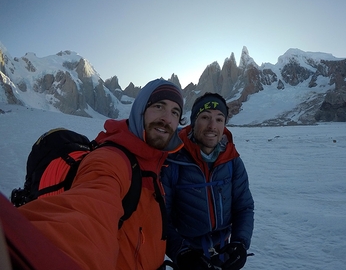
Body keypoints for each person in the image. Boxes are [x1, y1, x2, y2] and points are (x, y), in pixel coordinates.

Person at [18, 79, 185, 270]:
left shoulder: (154, 161)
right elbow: (85, 222)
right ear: (140, 110)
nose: (166, 118)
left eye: (175, 112)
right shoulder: (112, 160)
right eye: (159, 106)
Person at [161, 92, 254, 270]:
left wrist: (240, 243)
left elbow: (244, 206)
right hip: (188, 256)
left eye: (219, 119)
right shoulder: (172, 161)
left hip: (224, 252)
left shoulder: (232, 161)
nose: (213, 126)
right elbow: (161, 216)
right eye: (205, 117)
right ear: (194, 121)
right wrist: (180, 251)